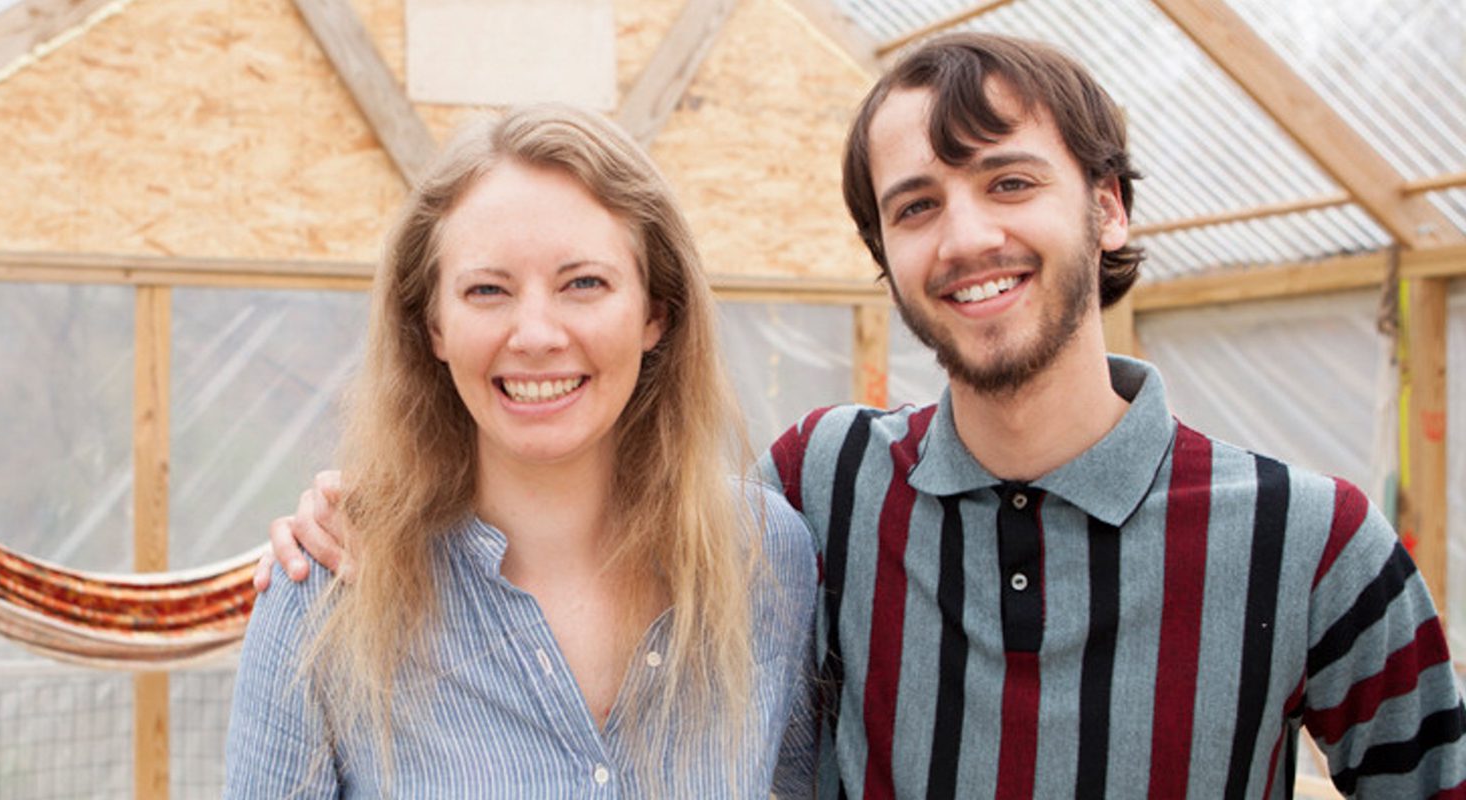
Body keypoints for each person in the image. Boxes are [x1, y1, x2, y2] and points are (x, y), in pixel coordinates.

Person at [260, 33, 1466, 798]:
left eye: (1007, 182)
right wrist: (362, 507)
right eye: (914, 204)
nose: (967, 236)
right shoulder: (824, 488)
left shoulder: (1310, 540)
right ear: (883, 255)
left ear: (1105, 210)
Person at [223, 104, 817, 798]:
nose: (535, 334)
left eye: (584, 283)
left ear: (657, 311)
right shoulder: (327, 593)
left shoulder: (764, 561)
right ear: (433, 325)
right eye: (487, 290)